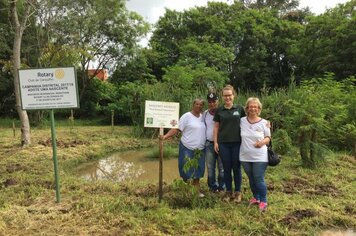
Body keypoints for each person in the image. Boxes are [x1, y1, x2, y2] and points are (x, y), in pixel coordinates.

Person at [162, 98, 206, 197]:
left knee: (198, 170)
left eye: (201, 105)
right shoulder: (186, 116)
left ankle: (196, 191)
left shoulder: (203, 117)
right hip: (187, 147)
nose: (199, 106)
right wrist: (165, 136)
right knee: (186, 169)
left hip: (200, 149)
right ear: (193, 105)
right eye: (197, 104)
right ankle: (188, 189)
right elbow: (177, 129)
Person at [213, 85, 245, 203]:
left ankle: (237, 192)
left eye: (229, 95)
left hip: (237, 143)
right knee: (226, 169)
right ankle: (228, 192)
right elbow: (216, 127)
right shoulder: (219, 110)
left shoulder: (240, 109)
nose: (227, 98)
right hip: (223, 144)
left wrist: (264, 123)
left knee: (236, 168)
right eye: (225, 95)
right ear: (222, 97)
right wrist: (215, 142)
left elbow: (248, 122)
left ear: (233, 95)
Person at [240, 97, 271, 212]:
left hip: (260, 156)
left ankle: (263, 200)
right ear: (247, 108)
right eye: (250, 106)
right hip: (244, 156)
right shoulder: (241, 121)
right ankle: (256, 198)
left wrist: (261, 142)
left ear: (259, 109)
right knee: (251, 178)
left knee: (258, 178)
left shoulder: (265, 123)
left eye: (255, 106)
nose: (253, 108)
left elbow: (268, 138)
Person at [204, 92, 224, 192]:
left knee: (222, 169)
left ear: (218, 101)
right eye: (210, 102)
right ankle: (212, 188)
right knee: (210, 169)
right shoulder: (205, 113)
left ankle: (222, 187)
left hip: (222, 144)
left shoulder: (223, 112)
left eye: (214, 101)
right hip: (209, 144)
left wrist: (265, 122)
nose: (212, 104)